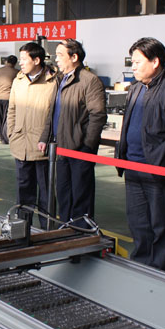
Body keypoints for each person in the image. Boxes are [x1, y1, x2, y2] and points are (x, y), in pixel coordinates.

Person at [115, 38, 165, 272]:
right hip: (133, 167)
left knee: (161, 225)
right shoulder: (136, 88)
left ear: (155, 61)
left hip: (158, 170)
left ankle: (160, 271)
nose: (133, 67)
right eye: (132, 62)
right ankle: (141, 267)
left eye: (137, 62)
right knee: (138, 223)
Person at [49, 39, 107, 226]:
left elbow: (97, 115)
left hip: (80, 147)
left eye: (60, 55)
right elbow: (53, 112)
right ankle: (65, 226)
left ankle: (81, 230)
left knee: (81, 192)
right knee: (63, 191)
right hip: (61, 145)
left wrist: (88, 145)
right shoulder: (61, 79)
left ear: (74, 57)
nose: (56, 59)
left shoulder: (89, 81)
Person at [7, 42, 58, 228]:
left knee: (46, 192)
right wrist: (11, 133)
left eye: (24, 59)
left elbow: (54, 114)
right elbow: (12, 109)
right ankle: (23, 228)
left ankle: (47, 229)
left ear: (36, 60)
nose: (20, 63)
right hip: (20, 143)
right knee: (23, 191)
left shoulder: (52, 82)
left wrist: (48, 138)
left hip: (41, 146)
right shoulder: (18, 81)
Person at [0, 55, 18, 144]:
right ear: (15, 63)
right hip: (9, 98)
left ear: (6, 61)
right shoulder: (17, 72)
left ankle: (1, 137)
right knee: (7, 118)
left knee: (1, 118)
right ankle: (6, 137)